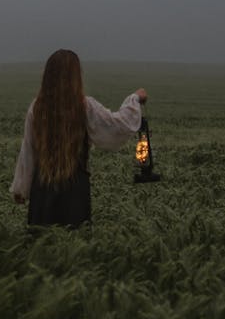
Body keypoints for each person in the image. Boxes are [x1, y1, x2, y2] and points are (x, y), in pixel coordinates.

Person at [10, 49, 147, 228]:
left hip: (42, 192)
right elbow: (117, 126)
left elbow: (28, 150)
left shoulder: (37, 107)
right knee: (75, 242)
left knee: (42, 246)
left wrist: (21, 188)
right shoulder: (84, 106)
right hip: (74, 191)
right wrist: (135, 99)